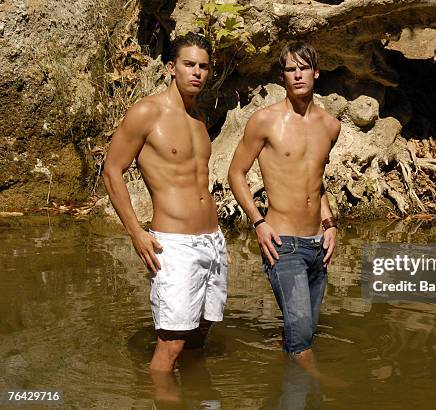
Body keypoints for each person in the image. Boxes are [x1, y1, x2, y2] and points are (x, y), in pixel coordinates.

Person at [103, 32, 228, 373]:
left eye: (203, 66)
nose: (197, 73)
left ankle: (195, 395)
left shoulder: (199, 120)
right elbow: (112, 171)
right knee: (171, 343)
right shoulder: (147, 112)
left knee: (201, 335)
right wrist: (135, 232)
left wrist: (216, 240)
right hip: (174, 243)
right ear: (172, 67)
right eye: (189, 65)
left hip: (212, 241)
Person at [228, 42, 340, 372]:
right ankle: (320, 384)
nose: (297, 75)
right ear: (283, 77)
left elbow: (316, 182)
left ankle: (284, 385)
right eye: (291, 70)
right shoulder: (265, 121)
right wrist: (258, 222)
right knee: (302, 337)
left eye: (303, 68)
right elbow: (236, 173)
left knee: (299, 333)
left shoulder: (330, 126)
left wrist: (330, 222)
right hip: (283, 245)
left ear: (316, 73)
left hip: (317, 245)